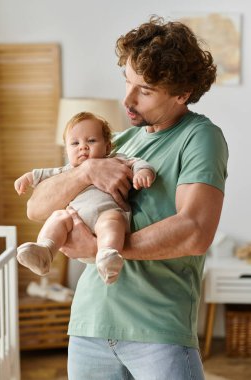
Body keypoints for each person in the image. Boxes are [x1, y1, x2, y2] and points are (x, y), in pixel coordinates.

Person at [26, 16, 228, 380]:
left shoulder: (200, 138)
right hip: (89, 323)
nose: (127, 100)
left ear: (181, 94)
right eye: (127, 82)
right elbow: (36, 207)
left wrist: (102, 248)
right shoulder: (115, 143)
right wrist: (85, 172)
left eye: (145, 91)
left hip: (157, 330)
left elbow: (195, 230)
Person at [15, 111, 155, 284]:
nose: (83, 147)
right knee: (58, 217)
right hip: (73, 220)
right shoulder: (68, 170)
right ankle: (45, 251)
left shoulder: (116, 160)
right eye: (75, 143)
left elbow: (136, 163)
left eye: (91, 141)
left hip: (106, 212)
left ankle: (108, 256)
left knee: (112, 221)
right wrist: (28, 178)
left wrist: (143, 172)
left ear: (107, 147)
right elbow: (44, 175)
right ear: (66, 150)